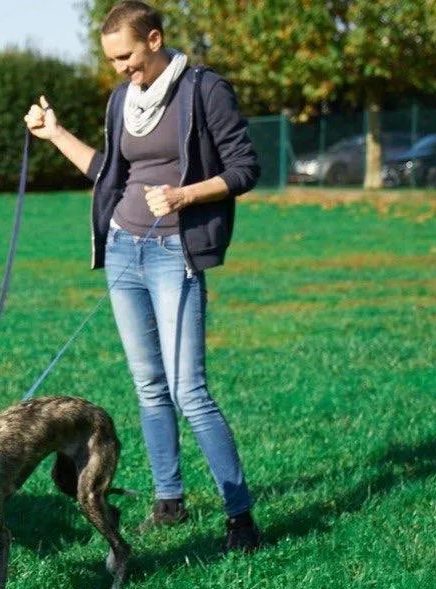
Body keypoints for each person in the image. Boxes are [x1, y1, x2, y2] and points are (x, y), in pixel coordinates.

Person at [24, 0, 262, 552]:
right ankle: (168, 502)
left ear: (154, 40)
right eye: (111, 60)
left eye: (126, 56)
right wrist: (56, 134)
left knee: (189, 391)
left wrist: (185, 195)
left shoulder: (203, 89)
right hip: (123, 248)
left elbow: (246, 167)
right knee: (149, 386)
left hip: (175, 251)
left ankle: (241, 518)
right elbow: (109, 172)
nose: (120, 68)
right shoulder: (122, 101)